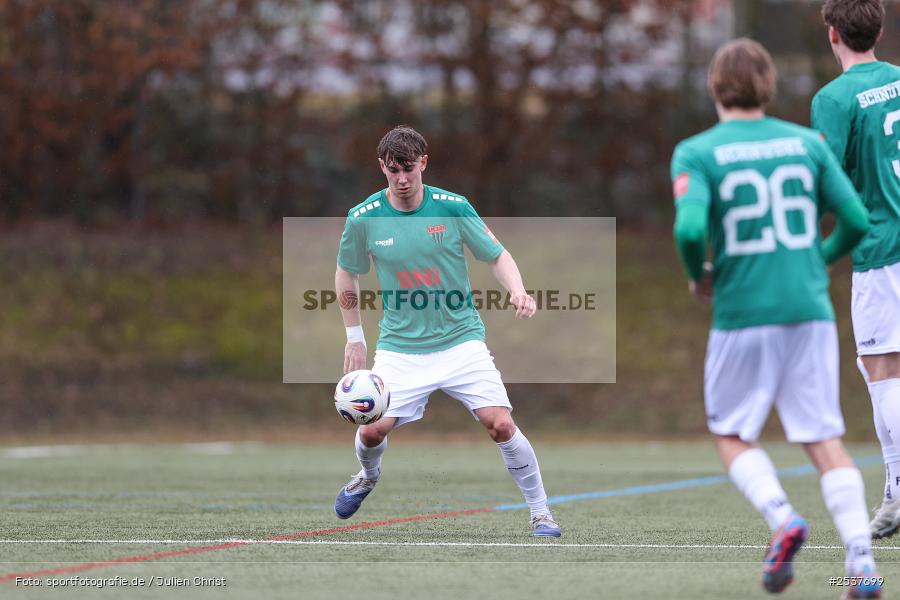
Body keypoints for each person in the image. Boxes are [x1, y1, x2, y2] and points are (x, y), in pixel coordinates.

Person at [672, 39, 881, 598]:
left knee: (731, 431)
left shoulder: (696, 151)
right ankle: (862, 565)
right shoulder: (806, 143)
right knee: (825, 439)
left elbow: (690, 229)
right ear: (768, 86)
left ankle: (783, 517)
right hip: (809, 310)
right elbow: (856, 218)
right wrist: (819, 259)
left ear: (714, 87)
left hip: (744, 312)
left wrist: (698, 275)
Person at [332, 125, 561, 537]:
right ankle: (367, 476)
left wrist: (518, 290)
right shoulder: (363, 218)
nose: (402, 179)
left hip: (461, 341)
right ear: (382, 167)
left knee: (500, 424)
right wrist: (355, 338)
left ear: (424, 162)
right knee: (371, 430)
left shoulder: (453, 207)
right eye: (393, 170)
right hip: (400, 348)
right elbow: (346, 274)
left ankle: (541, 512)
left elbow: (497, 255)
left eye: (409, 169)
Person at [812, 0, 900, 544]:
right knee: (884, 370)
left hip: (882, 249)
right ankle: (894, 490)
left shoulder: (834, 98)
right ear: (880, 30)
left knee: (882, 368)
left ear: (833, 34)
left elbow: (825, 183)